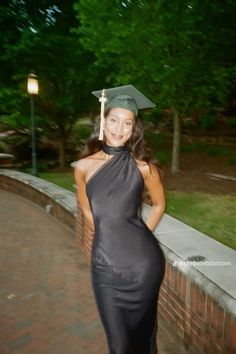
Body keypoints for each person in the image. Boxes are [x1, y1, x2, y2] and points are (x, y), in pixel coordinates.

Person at [74, 85, 166, 354]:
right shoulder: (83, 167)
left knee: (143, 333)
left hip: (143, 266)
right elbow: (88, 211)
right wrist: (108, 238)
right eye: (114, 120)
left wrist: (142, 233)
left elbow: (159, 205)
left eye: (128, 123)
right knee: (119, 345)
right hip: (105, 269)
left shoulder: (144, 168)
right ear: (103, 121)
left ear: (134, 128)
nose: (119, 128)